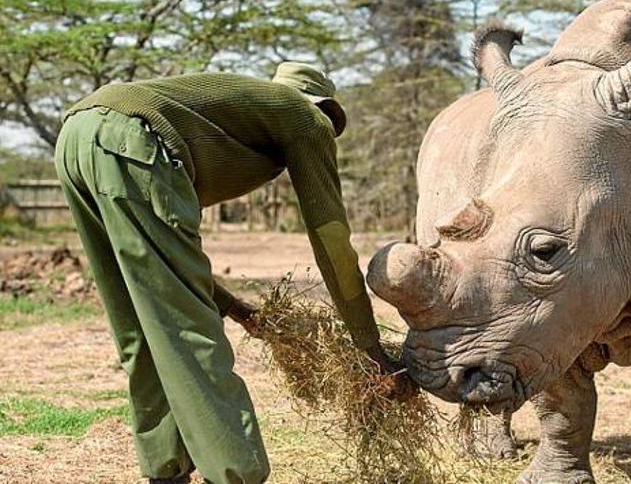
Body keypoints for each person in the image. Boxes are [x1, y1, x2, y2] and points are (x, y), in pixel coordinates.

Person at [54, 63, 400, 484]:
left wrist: (236, 309)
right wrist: (368, 348)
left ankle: (167, 471)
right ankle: (237, 474)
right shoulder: (307, 118)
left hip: (76, 136)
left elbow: (171, 263)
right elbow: (330, 238)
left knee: (142, 328)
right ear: (324, 107)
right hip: (130, 138)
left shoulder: (230, 122)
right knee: (189, 334)